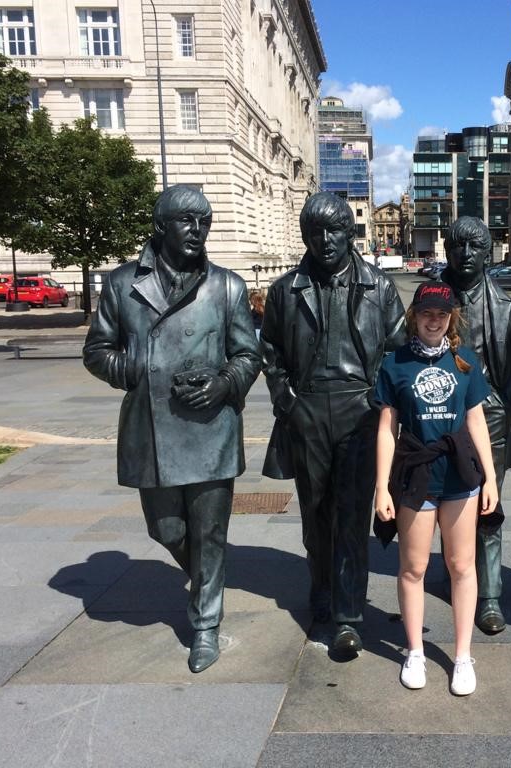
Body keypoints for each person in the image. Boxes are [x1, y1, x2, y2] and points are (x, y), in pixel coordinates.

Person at [83, 185, 261, 673]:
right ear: (160, 226)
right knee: (166, 529)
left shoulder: (226, 286)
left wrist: (225, 383)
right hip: (151, 430)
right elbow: (97, 351)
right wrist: (133, 366)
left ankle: (205, 625)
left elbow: (249, 354)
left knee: (209, 533)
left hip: (211, 427)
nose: (197, 230)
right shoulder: (122, 285)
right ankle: (210, 577)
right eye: (187, 221)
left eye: (204, 221)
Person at [261, 191, 405, 658]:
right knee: (315, 513)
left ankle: (348, 616)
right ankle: (320, 583)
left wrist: (378, 399)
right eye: (315, 232)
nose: (325, 240)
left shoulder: (379, 288)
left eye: (335, 230)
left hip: (359, 411)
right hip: (307, 408)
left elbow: (395, 348)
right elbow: (271, 352)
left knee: (351, 516)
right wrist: (288, 400)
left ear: (350, 232)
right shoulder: (286, 290)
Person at [374, 280, 499, 695]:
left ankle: (463, 657)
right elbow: (388, 428)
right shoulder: (395, 363)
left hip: (459, 473)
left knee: (462, 565)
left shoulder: (464, 360)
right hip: (416, 471)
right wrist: (381, 487)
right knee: (414, 568)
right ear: (415, 316)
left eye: (442, 315)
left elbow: (477, 420)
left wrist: (491, 478)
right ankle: (414, 651)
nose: (434, 321)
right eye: (427, 313)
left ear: (451, 318)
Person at [440, 216, 511, 634]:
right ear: (446, 250)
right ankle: (457, 571)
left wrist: (503, 401)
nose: (465, 254)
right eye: (458, 246)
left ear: (487, 253)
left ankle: (489, 596)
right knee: (446, 502)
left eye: (475, 247)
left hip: (489, 416)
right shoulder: (430, 300)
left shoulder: (504, 306)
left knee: (488, 507)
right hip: (438, 414)